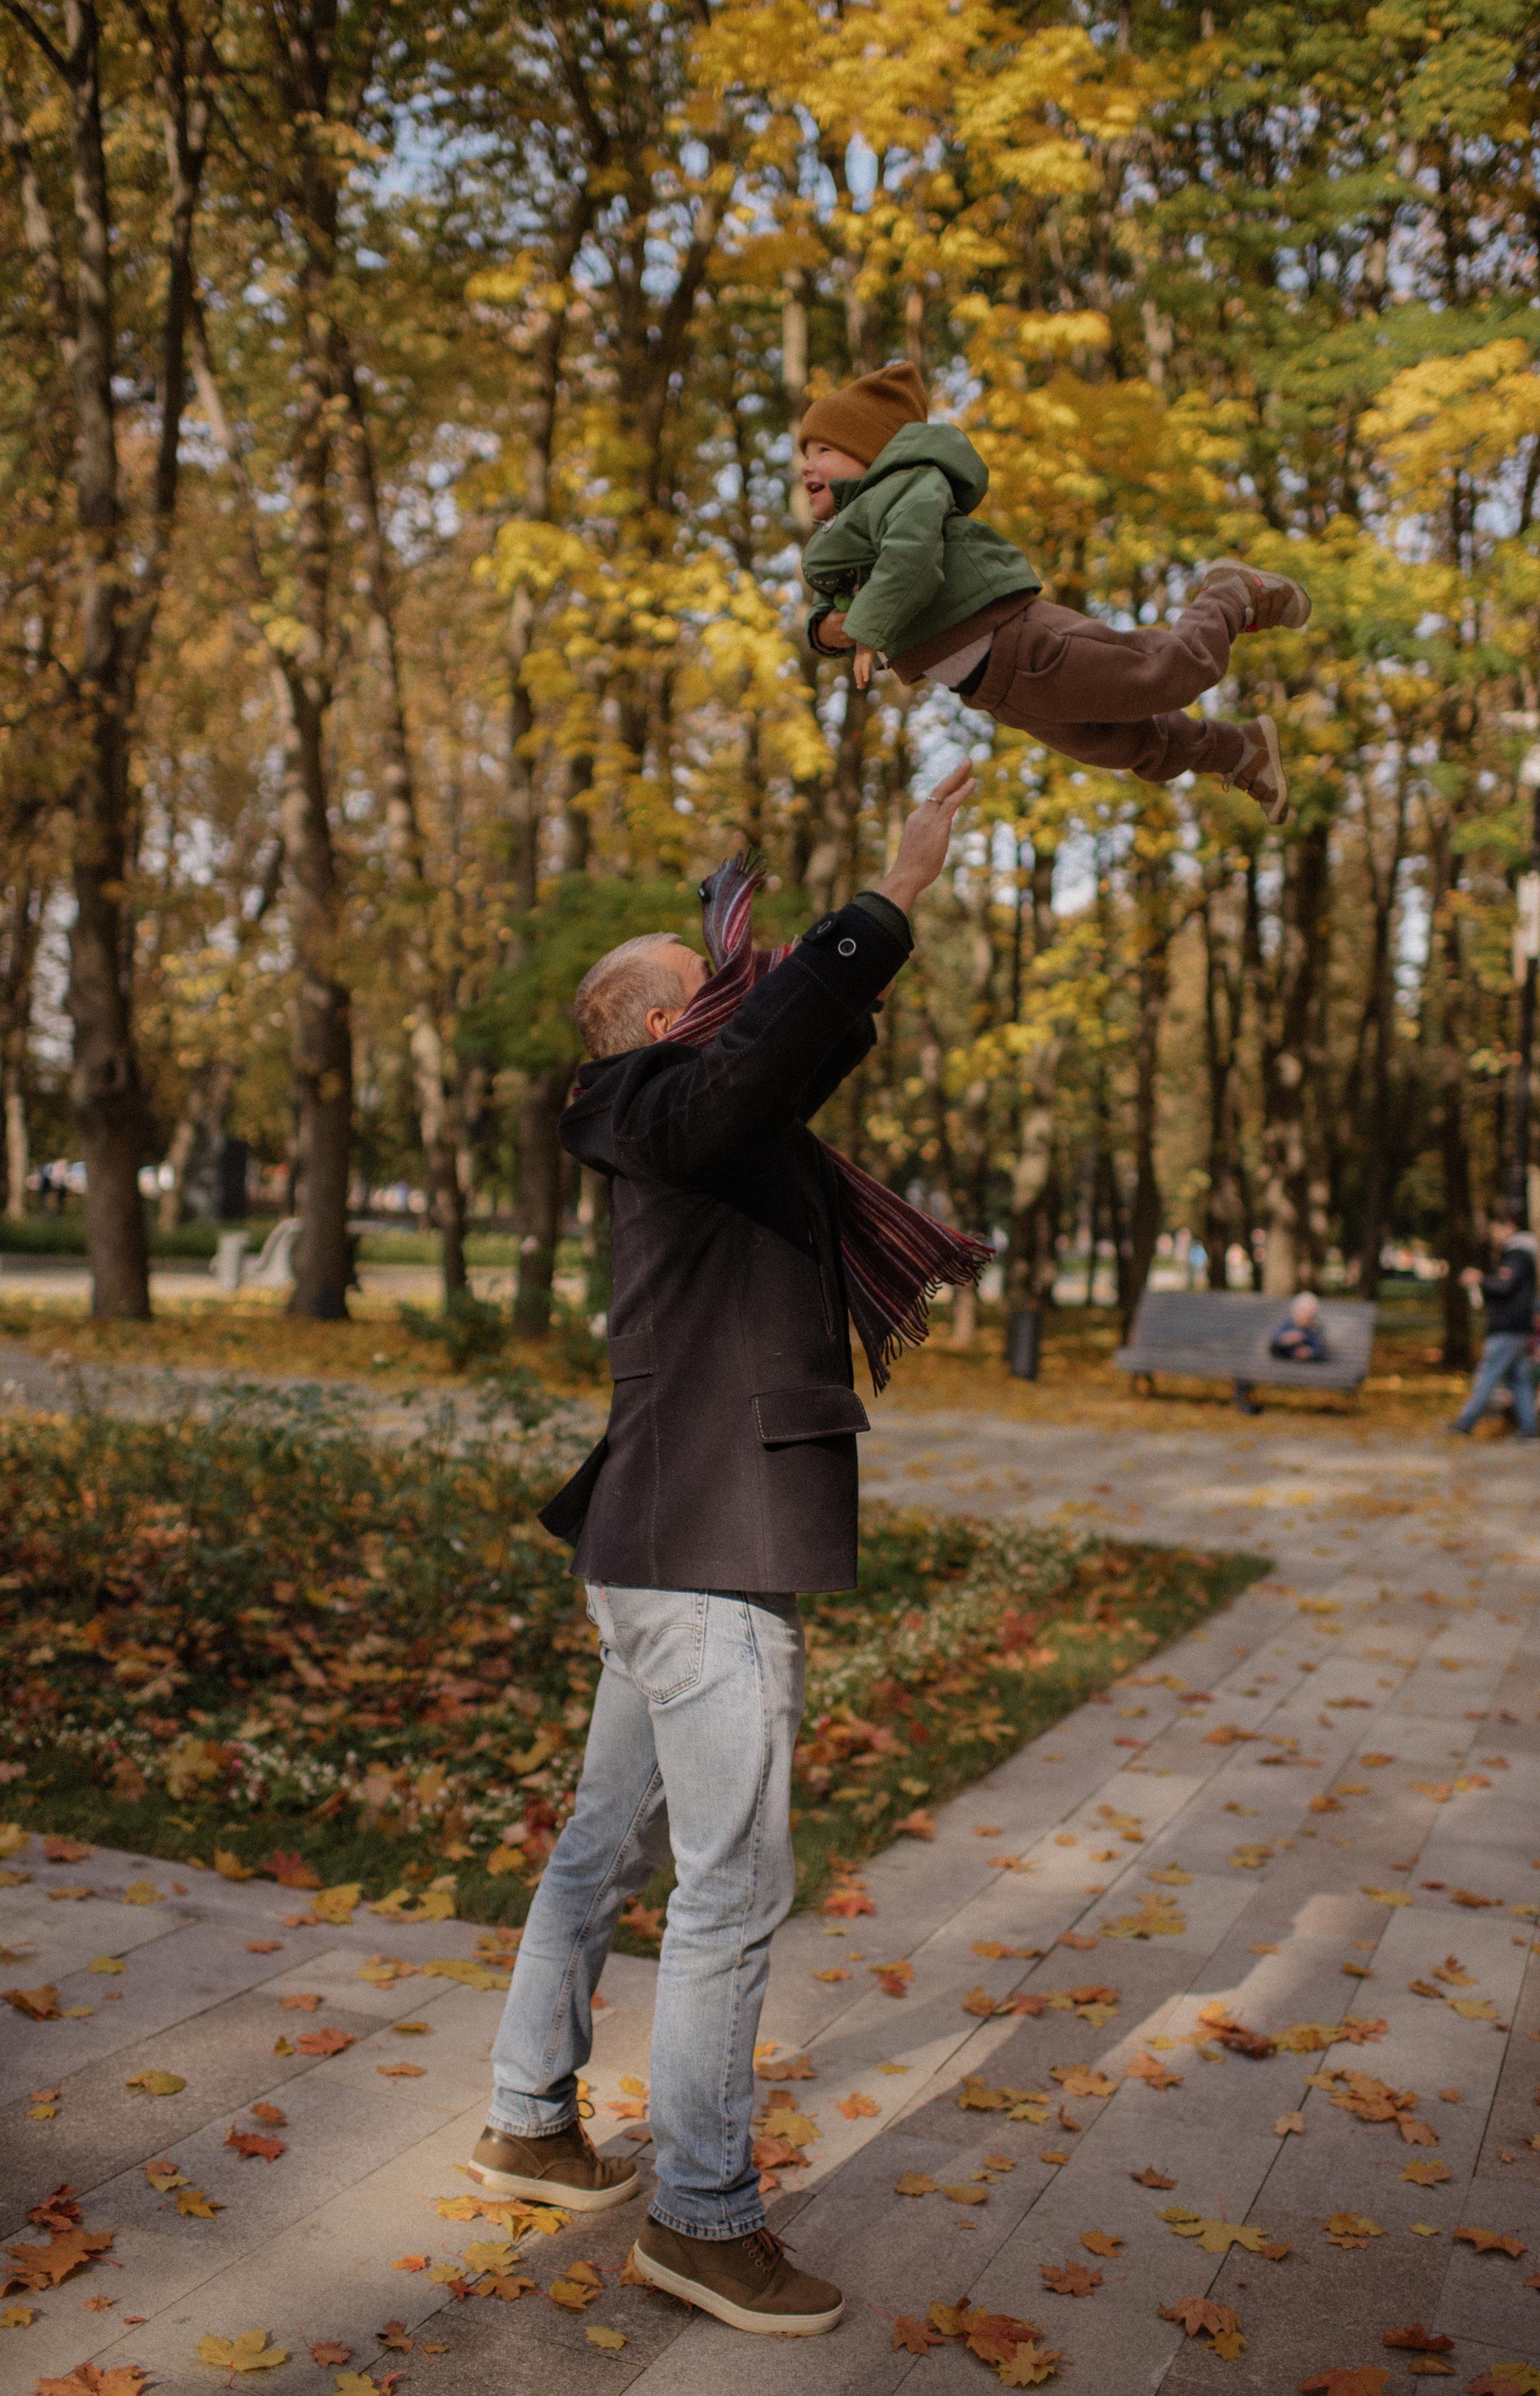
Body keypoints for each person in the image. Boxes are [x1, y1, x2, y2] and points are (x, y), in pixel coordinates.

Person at [467, 764, 975, 2340]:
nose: (739, 997)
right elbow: (751, 1065)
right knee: (728, 1888)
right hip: (700, 1549)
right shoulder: (652, 1102)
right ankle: (699, 2214)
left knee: (602, 1845)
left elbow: (757, 1074)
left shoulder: (685, 1119)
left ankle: (527, 2118)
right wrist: (882, 903)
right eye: (709, 986)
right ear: (642, 1022)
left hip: (662, 1534)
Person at [798, 361, 1310, 822]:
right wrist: (827, 629)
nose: (806, 465)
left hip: (1023, 643)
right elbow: (832, 601)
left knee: (1165, 673)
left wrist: (864, 627)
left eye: (823, 450)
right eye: (802, 453)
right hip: (995, 690)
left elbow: (912, 562)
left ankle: (1232, 593)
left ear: (872, 451)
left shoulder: (908, 486)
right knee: (1125, 744)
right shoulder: (844, 537)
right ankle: (1239, 752)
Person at [1448, 1209, 1540, 1439]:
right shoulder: (1520, 1254)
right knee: (1519, 1381)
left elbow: (1504, 1286)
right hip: (1517, 1327)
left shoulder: (1517, 1256)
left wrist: (1480, 1280)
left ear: (1508, 1226)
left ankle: (1465, 1422)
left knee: (1488, 1375)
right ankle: (1530, 1431)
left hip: (1508, 1328)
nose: (1493, 1236)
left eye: (1495, 1230)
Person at [1269, 1291, 1328, 1362]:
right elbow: (1274, 1340)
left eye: (1308, 1317)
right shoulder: (1288, 1325)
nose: (1303, 1320)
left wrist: (1310, 1352)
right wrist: (1285, 1339)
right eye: (1300, 1315)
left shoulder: (1315, 1330)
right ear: (1294, 1313)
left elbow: (1320, 1349)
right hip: (1285, 1363)